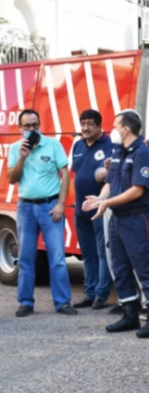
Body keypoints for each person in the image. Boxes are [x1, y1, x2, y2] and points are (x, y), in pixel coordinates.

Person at [82, 110, 149, 339]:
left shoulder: (142, 153)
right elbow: (110, 181)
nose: (112, 130)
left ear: (126, 129)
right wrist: (101, 198)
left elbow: (137, 190)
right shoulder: (117, 151)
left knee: (146, 268)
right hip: (118, 219)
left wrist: (107, 202)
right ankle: (130, 315)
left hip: (138, 218)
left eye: (115, 126)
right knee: (120, 267)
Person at [7, 109, 77, 317]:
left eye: (34, 125)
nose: (31, 129)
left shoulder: (53, 145)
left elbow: (65, 175)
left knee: (57, 257)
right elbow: (12, 178)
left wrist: (61, 204)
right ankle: (26, 302)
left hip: (50, 207)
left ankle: (63, 302)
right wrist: (22, 158)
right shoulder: (15, 148)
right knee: (26, 257)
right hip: (26, 208)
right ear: (20, 128)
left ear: (39, 125)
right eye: (27, 126)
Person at [71, 109, 113, 310]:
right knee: (88, 253)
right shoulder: (78, 145)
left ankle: (101, 295)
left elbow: (112, 176)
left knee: (103, 253)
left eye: (90, 124)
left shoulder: (109, 145)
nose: (85, 128)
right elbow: (76, 174)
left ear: (99, 126)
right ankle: (89, 293)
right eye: (83, 123)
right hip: (81, 210)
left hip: (100, 208)